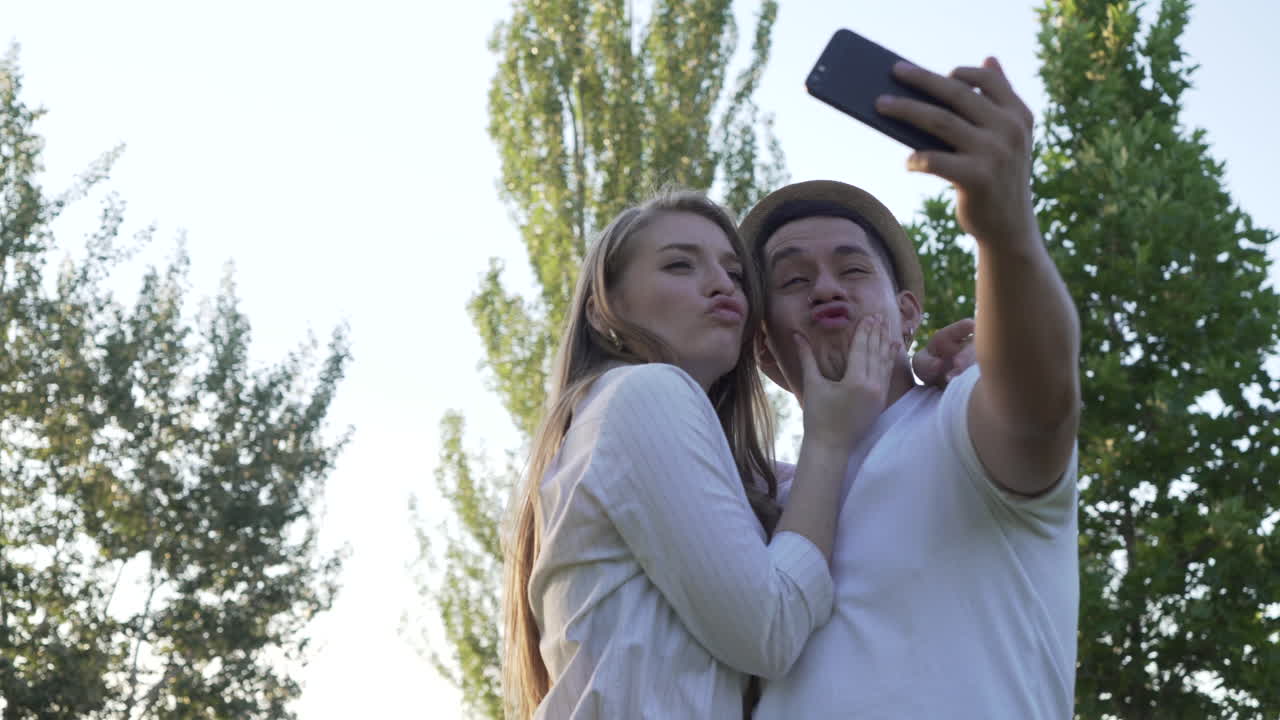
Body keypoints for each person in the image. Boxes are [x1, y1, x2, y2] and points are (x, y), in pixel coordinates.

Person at [743, 58, 1082, 719]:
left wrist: (1005, 232)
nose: (826, 287)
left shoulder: (961, 422)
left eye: (852, 268)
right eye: (792, 280)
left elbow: (1043, 402)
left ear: (906, 314)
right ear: (761, 347)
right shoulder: (760, 507)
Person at [501, 189, 904, 720]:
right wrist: (827, 439)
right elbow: (770, 631)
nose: (721, 284)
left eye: (736, 273)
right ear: (604, 311)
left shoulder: (631, 427)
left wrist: (944, 370)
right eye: (679, 265)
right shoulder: (644, 393)